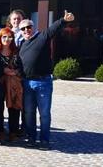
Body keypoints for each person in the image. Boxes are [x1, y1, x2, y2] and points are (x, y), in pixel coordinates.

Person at [19, 10, 75, 150]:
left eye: (28, 27)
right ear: (20, 31)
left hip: (43, 82)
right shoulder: (22, 45)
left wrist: (63, 20)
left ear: (34, 27)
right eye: (23, 28)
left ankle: (44, 140)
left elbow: (52, 29)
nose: (26, 30)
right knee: (29, 113)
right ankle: (31, 138)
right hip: (27, 83)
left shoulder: (42, 37)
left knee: (44, 113)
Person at [0, 27, 23, 142]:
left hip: (13, 83)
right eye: (4, 36)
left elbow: (22, 66)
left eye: (10, 37)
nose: (7, 39)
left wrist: (15, 72)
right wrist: (3, 70)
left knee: (13, 107)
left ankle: (13, 132)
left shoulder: (17, 51)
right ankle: (0, 131)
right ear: (0, 38)